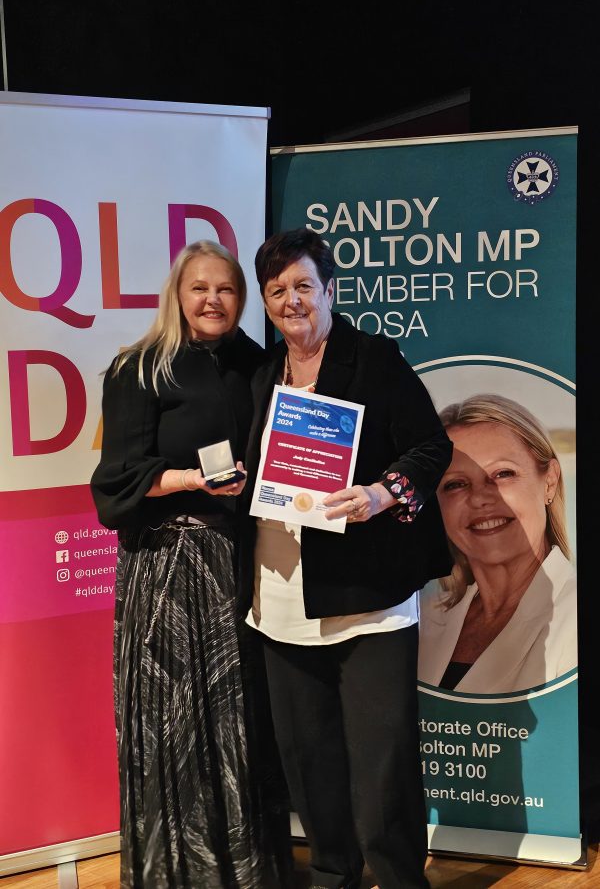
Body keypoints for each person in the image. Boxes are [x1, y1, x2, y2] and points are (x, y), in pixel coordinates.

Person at [243, 228, 454, 889]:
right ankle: (334, 876)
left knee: (384, 763)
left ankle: (399, 880)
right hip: (281, 597)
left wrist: (380, 494)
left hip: (368, 597)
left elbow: (431, 448)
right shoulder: (262, 376)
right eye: (277, 291)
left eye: (304, 286)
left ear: (330, 290)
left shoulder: (374, 358)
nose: (292, 301)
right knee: (309, 761)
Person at [91, 240, 290, 889]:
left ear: (242, 298)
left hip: (240, 564)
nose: (212, 300)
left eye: (226, 289)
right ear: (177, 294)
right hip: (165, 567)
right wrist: (188, 480)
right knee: (172, 727)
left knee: (240, 723)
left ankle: (248, 872)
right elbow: (116, 481)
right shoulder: (140, 368)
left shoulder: (262, 366)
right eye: (199, 287)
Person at [418, 393, 577, 694]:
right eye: (455, 484)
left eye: (504, 474)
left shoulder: (577, 618)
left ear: (549, 481)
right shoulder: (421, 618)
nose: (480, 497)